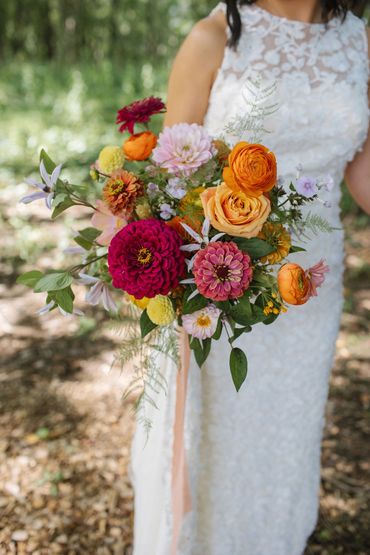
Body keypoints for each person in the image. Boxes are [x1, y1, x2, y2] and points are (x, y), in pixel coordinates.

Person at [130, 1, 370, 554]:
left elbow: (360, 169)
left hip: (311, 290)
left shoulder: (359, 42)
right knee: (213, 445)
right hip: (220, 287)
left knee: (285, 446)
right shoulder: (213, 37)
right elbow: (173, 179)